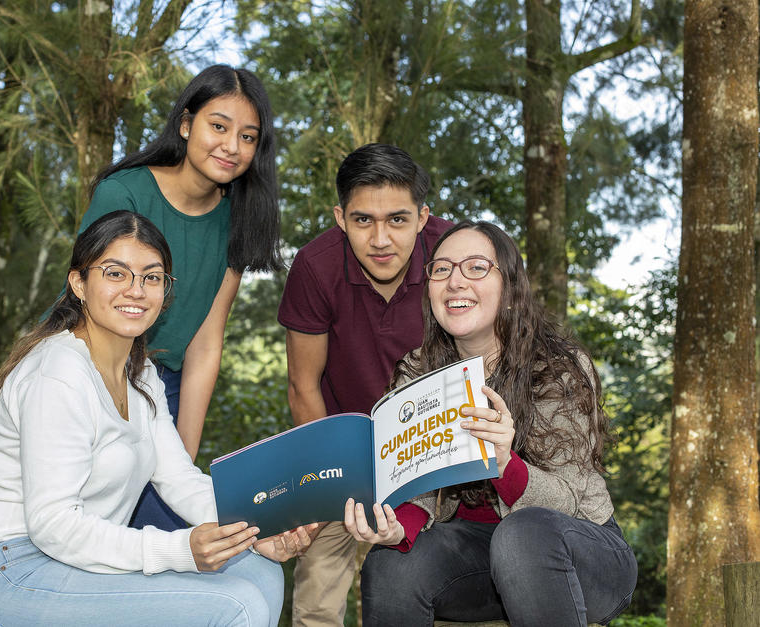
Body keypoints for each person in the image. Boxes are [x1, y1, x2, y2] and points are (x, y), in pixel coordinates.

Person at [0, 211, 312, 627]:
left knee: (260, 573)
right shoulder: (59, 373)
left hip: (74, 563)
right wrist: (179, 549)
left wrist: (256, 528)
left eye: (152, 277)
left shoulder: (139, 374)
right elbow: (53, 524)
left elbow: (179, 480)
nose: (136, 291)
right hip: (7, 572)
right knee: (236, 606)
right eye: (116, 274)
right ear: (79, 284)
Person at [342, 220, 638, 626]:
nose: (455, 281)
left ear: (511, 288)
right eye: (441, 269)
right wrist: (397, 528)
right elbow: (417, 483)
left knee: (521, 535)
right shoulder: (418, 370)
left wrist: (504, 462)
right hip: (480, 558)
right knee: (390, 564)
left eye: (476, 267)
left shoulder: (559, 367)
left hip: (582, 549)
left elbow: (569, 501)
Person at [78, 64, 281, 531]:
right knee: (90, 532)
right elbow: (89, 306)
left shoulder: (237, 219)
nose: (232, 146)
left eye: (248, 137)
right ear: (186, 124)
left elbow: (207, 341)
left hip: (162, 387)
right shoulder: (124, 193)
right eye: (218, 126)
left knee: (167, 529)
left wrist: (182, 456)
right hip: (89, 370)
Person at [277, 143, 452, 626]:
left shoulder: (453, 256)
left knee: (426, 583)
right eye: (362, 221)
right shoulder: (316, 266)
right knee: (317, 592)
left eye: (397, 219)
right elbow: (302, 385)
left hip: (433, 449)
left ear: (423, 217)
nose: (380, 239)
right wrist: (339, 475)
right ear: (340, 217)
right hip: (343, 447)